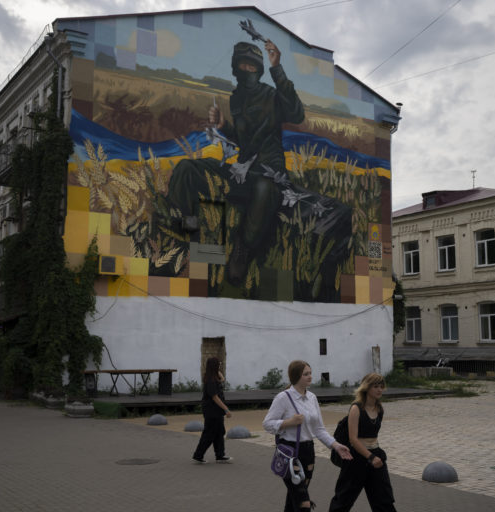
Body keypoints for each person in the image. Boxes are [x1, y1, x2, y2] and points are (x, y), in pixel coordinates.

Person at [167, 38, 351, 295]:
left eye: (252, 66)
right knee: (188, 167)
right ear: (235, 68)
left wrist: (278, 69)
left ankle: (242, 252)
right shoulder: (236, 100)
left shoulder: (271, 95)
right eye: (243, 65)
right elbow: (247, 141)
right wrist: (224, 126)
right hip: (242, 172)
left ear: (259, 70)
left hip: (270, 175)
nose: (247, 70)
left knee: (265, 189)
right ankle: (185, 226)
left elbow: (296, 113)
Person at [263, 360, 352, 512]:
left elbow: (319, 429)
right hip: (290, 453)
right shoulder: (283, 398)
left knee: (294, 500)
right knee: (303, 502)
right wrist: (288, 422)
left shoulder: (312, 397)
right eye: (306, 374)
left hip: (308, 452)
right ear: (296, 376)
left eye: (310, 373)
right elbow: (267, 424)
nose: (310, 377)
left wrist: (336, 446)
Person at [328, 373, 397, 512]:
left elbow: (373, 435)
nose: (379, 390)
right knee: (343, 500)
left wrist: (375, 456)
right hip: (356, 458)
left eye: (381, 386)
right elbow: (353, 439)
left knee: (384, 500)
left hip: (376, 455)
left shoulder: (380, 409)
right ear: (367, 388)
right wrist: (370, 457)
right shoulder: (356, 409)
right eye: (375, 386)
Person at [192, 357, 233, 464]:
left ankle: (220, 455)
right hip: (212, 411)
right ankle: (198, 455)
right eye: (218, 365)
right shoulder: (210, 380)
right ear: (214, 367)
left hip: (216, 411)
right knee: (209, 433)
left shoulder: (213, 377)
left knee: (219, 432)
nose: (220, 366)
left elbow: (222, 380)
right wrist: (226, 409)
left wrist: (219, 373)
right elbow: (215, 397)